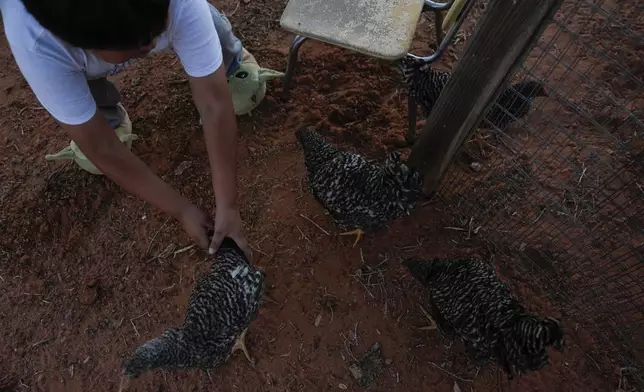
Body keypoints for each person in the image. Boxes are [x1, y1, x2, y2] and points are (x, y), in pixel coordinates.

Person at [1, 0, 253, 260]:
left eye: (157, 31)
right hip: (72, 56)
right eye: (138, 45)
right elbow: (102, 149)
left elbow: (213, 103)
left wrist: (228, 204)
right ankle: (103, 110)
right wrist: (181, 209)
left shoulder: (179, 4)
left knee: (201, 22)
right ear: (82, 43)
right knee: (95, 152)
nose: (152, 46)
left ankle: (231, 62)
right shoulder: (36, 42)